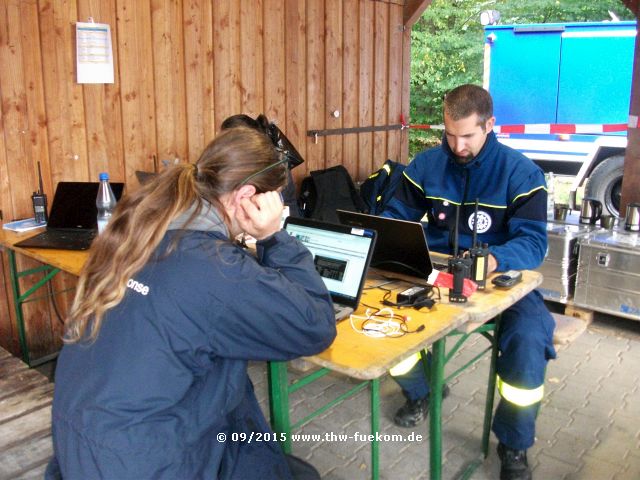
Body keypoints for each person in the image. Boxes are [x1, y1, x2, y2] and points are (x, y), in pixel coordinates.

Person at [46, 127, 336, 479]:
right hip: (142, 461)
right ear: (246, 196)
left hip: (82, 447)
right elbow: (316, 326)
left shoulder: (141, 229)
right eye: (273, 202)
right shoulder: (216, 268)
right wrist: (275, 237)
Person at [382, 84, 556, 480]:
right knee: (379, 313)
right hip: (434, 273)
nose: (456, 146)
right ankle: (422, 389)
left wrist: (497, 258)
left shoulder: (521, 173)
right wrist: (388, 232)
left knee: (530, 336)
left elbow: (533, 242)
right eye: (449, 134)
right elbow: (396, 214)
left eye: (467, 136)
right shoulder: (425, 166)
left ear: (490, 125)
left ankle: (513, 442)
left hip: (500, 280)